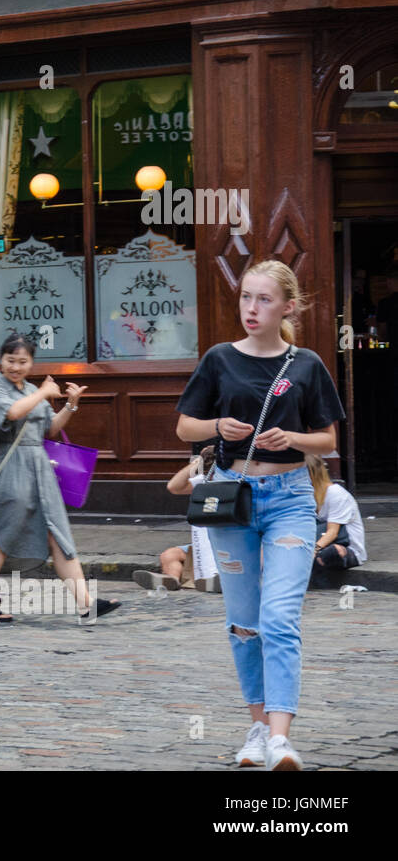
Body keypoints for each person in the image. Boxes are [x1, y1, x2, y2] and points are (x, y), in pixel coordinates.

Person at [175, 260, 345, 771]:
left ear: (287, 307)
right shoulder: (219, 359)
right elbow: (184, 427)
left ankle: (280, 739)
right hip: (233, 497)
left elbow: (330, 441)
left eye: (264, 300)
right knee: (244, 622)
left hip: (291, 497)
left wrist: (292, 438)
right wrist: (217, 426)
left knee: (279, 617)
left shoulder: (307, 364)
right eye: (247, 297)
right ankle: (255, 728)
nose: (252, 308)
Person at [0, 333, 121, 623]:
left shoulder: (30, 388)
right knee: (3, 537)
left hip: (40, 468)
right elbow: (13, 413)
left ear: (31, 363)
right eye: (10, 360)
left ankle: (86, 604)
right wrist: (42, 393)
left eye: (23, 361)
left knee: (59, 534)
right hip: (11, 469)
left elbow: (49, 430)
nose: (16, 367)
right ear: (1, 361)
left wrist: (71, 404)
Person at [137, 446, 222, 592]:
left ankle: (219, 581)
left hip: (234, 541)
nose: (211, 476)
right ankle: (171, 580)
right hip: (205, 545)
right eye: (208, 472)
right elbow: (173, 486)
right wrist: (197, 463)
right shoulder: (203, 484)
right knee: (170, 555)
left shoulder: (238, 483)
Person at [306, 454, 366, 586]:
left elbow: (332, 532)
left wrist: (313, 550)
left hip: (347, 548)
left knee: (331, 552)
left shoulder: (335, 493)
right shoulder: (308, 495)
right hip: (318, 543)